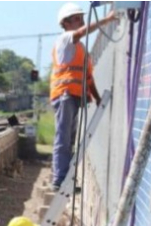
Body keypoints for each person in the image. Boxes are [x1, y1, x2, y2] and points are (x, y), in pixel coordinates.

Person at [50, 3, 117, 190]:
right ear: (65, 23)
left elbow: (88, 78)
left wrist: (96, 98)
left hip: (73, 97)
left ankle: (66, 179)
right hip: (64, 95)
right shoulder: (65, 39)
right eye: (77, 19)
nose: (81, 21)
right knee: (63, 138)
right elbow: (79, 33)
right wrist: (107, 19)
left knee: (69, 139)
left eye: (81, 18)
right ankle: (59, 179)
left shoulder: (81, 51)